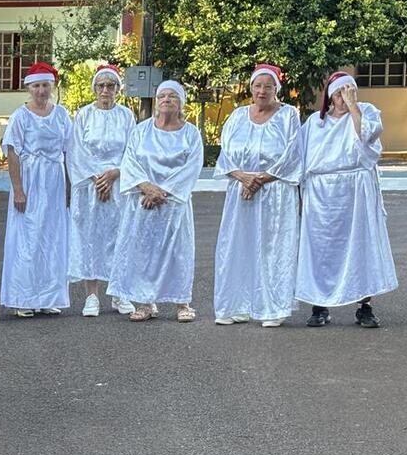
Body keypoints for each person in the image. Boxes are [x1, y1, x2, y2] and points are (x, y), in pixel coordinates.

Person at [296, 71, 397, 328]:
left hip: (356, 190)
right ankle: (319, 305)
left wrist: (354, 107)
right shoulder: (315, 123)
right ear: (331, 96)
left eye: (350, 91)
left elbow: (368, 137)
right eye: (340, 93)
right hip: (322, 194)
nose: (345, 97)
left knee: (360, 247)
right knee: (321, 248)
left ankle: (364, 306)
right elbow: (301, 158)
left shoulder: (365, 112)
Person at [213, 64, 303, 327]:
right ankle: (236, 305)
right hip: (241, 191)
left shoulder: (289, 115)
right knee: (237, 245)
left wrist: (260, 179)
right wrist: (244, 177)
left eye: (268, 86)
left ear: (277, 88)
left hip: (275, 191)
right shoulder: (238, 116)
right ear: (250, 88)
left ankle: (273, 308)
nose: (262, 91)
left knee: (273, 247)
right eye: (257, 85)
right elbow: (226, 153)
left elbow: (293, 154)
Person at [107, 79, 204, 323]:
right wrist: (146, 188)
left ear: (180, 102)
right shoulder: (141, 131)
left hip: (174, 204)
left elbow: (191, 167)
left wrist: (163, 192)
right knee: (143, 251)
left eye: (172, 96)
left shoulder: (191, 133)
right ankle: (146, 302)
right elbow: (130, 162)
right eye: (162, 96)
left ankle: (182, 302)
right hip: (143, 202)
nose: (166, 100)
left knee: (177, 252)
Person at [1, 62, 73, 317]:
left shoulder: (62, 114)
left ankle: (48, 296)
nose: (41, 90)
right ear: (29, 88)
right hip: (30, 180)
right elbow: (12, 152)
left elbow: (69, 152)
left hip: (53, 180)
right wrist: (18, 190)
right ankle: (23, 298)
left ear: (51, 87)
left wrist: (68, 187)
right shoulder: (21, 116)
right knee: (27, 238)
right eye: (36, 86)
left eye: (45, 85)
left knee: (52, 238)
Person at [66, 64, 136, 317]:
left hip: (119, 185)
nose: (105, 90)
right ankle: (92, 295)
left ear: (118, 89)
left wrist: (113, 174)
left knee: (119, 238)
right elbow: (75, 152)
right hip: (90, 186)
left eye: (111, 85)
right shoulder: (83, 115)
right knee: (90, 238)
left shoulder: (127, 116)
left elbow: (132, 151)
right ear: (94, 88)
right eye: (101, 85)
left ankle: (119, 293)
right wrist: (97, 178)